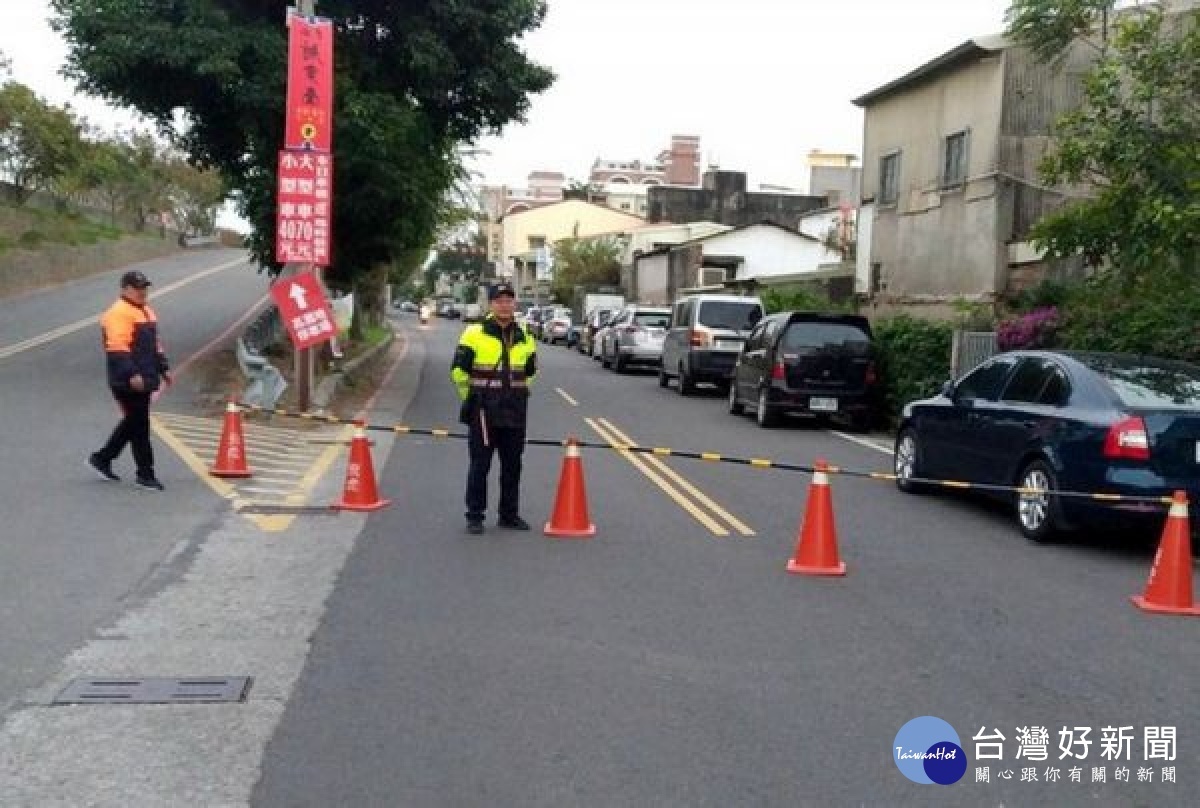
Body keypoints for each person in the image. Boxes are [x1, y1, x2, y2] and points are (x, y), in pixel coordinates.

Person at [451, 282, 538, 534]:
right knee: (480, 464)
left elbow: (531, 371)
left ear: (514, 304)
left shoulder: (524, 334)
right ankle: (475, 515)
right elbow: (458, 370)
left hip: (514, 410)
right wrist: (473, 396)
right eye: (499, 300)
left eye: (509, 300)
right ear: (491, 304)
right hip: (483, 411)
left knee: (513, 465)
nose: (505, 305)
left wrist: (518, 392)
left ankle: (509, 515)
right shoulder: (474, 333)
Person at [88, 270, 171, 490]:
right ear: (125, 289)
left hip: (145, 377)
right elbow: (117, 349)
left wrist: (164, 368)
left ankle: (102, 459)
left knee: (133, 423)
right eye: (137, 288)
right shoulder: (119, 313)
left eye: (144, 287)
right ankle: (145, 474)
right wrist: (132, 375)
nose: (142, 291)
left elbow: (155, 345)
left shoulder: (145, 312)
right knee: (140, 427)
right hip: (127, 381)